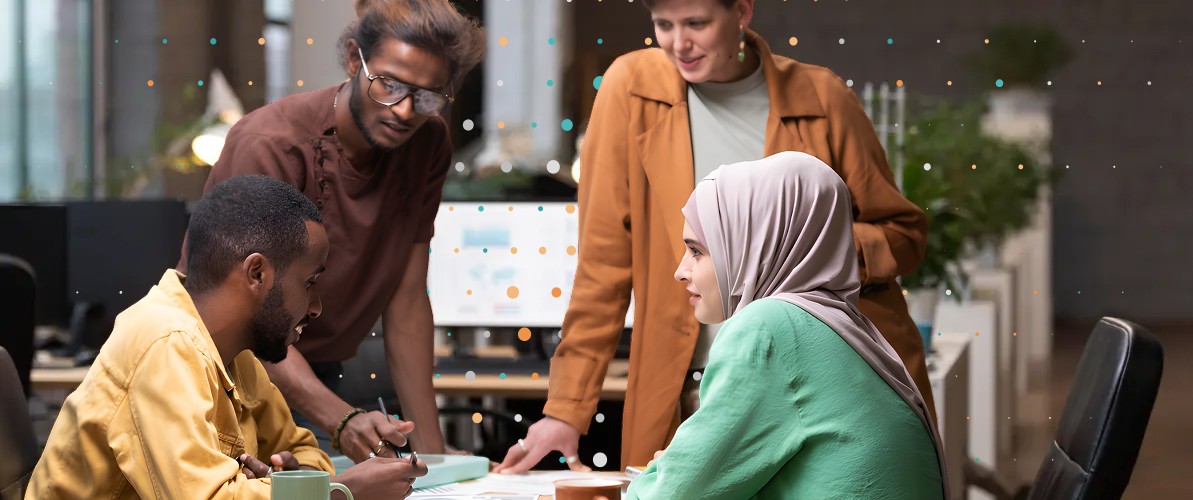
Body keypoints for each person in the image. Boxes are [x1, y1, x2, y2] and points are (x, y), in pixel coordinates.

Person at [497, 0, 932, 472]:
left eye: (696, 24)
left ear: (742, 13)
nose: (678, 43)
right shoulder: (629, 88)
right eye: (663, 25)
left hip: (822, 389)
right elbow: (603, 265)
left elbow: (903, 234)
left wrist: (811, 254)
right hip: (693, 393)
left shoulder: (822, 96)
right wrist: (566, 408)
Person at [180, 0, 485, 460]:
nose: (404, 111)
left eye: (426, 96)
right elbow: (240, 316)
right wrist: (341, 419)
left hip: (317, 369)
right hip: (227, 374)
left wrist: (432, 459)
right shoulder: (270, 145)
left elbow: (406, 302)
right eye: (389, 84)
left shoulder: (428, 143)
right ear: (351, 59)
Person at [28, 175, 427, 499]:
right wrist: (341, 491)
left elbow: (305, 451)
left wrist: (284, 485)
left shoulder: (236, 355)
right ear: (257, 274)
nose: (316, 306)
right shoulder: (164, 342)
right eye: (309, 283)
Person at [626, 152, 945, 499]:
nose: (680, 271)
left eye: (697, 250)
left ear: (752, 244)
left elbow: (672, 494)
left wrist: (664, 469)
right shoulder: (846, 328)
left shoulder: (768, 328)